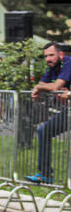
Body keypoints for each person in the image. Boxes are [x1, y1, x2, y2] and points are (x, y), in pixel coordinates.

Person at [26, 42, 71, 184]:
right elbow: (42, 84)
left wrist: (40, 87)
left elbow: (55, 86)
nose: (48, 59)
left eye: (51, 55)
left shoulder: (68, 63)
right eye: (46, 56)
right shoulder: (53, 67)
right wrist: (39, 87)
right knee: (44, 131)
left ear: (61, 54)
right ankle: (45, 175)